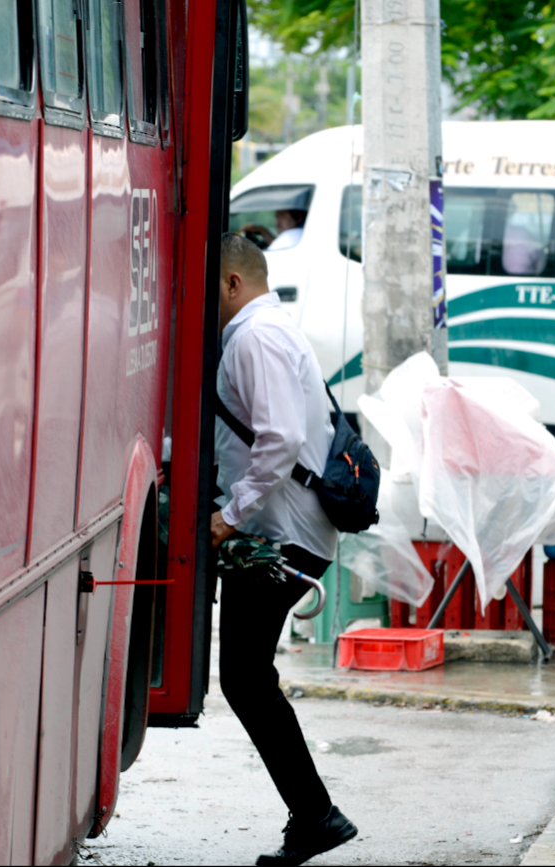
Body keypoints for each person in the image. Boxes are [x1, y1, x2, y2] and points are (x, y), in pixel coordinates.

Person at [210, 233, 358, 866]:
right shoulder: (269, 328)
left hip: (281, 534)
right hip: (285, 528)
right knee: (246, 677)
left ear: (233, 283)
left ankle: (318, 815)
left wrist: (229, 514)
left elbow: (279, 437)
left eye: (209, 289)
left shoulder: (254, 336)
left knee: (244, 677)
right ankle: (313, 815)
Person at [240, 208, 308, 251]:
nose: (277, 222)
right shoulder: (299, 236)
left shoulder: (290, 236)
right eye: (277, 217)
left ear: (299, 218)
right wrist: (262, 231)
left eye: (282, 216)